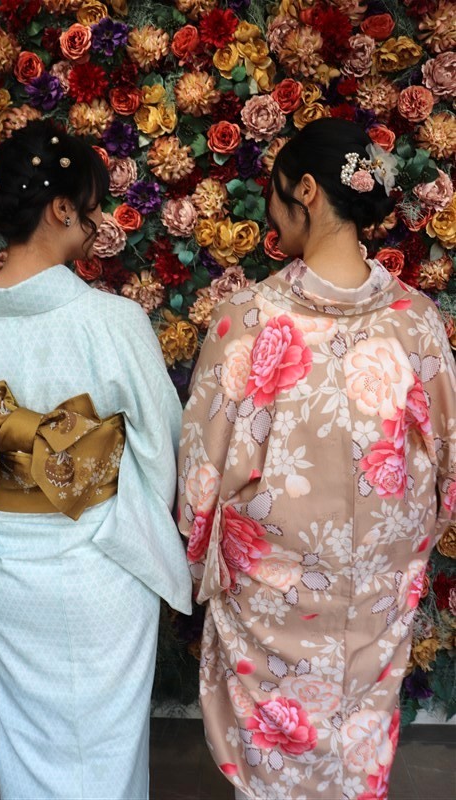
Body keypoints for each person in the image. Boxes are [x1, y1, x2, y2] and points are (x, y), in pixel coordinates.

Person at [177, 118, 455, 800]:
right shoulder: (414, 318)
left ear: (305, 189)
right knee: (358, 727)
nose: (271, 214)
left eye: (276, 193)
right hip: (378, 580)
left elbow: (203, 473)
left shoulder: (246, 319)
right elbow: (446, 458)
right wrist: (409, 538)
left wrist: (200, 558)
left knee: (276, 746)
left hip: (274, 587)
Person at [0, 119, 192, 800]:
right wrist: (130, 515)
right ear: (61, 209)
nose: (97, 221)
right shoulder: (112, 324)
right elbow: (160, 445)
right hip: (105, 565)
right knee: (109, 746)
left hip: (9, 570)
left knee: (27, 740)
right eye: (92, 205)